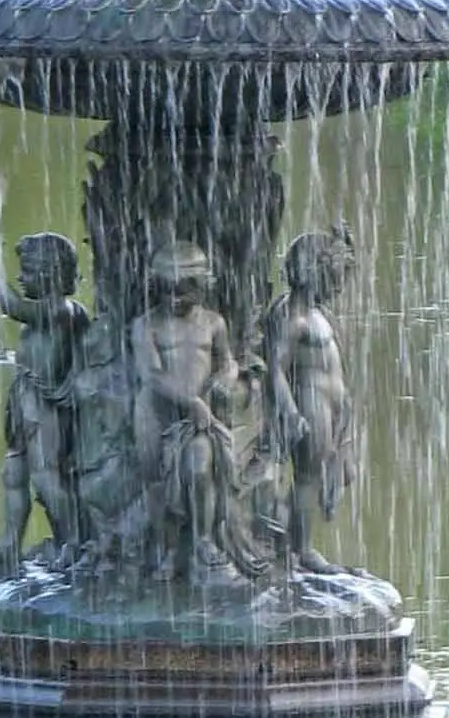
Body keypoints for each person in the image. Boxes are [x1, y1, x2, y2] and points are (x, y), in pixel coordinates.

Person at [131, 240, 258, 582]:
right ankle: (168, 549)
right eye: (166, 289)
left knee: (199, 468)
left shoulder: (214, 323)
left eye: (185, 289)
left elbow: (227, 360)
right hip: (158, 414)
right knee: (157, 481)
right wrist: (191, 401)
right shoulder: (146, 325)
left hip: (201, 417)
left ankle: (203, 539)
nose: (175, 298)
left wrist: (224, 379)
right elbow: (152, 374)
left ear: (203, 286)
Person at [0, 232, 89, 578]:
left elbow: (13, 307)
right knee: (14, 473)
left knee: (46, 476)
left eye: (29, 272)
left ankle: (74, 542)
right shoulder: (49, 311)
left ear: (51, 274)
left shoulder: (60, 310)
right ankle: (10, 544)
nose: (21, 279)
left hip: (47, 406)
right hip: (24, 401)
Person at [265, 228, 358, 570]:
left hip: (334, 407)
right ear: (311, 273)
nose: (338, 288)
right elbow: (276, 367)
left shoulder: (319, 314)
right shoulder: (295, 317)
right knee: (309, 476)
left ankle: (286, 540)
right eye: (334, 278)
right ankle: (300, 549)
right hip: (311, 402)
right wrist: (289, 411)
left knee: (340, 473)